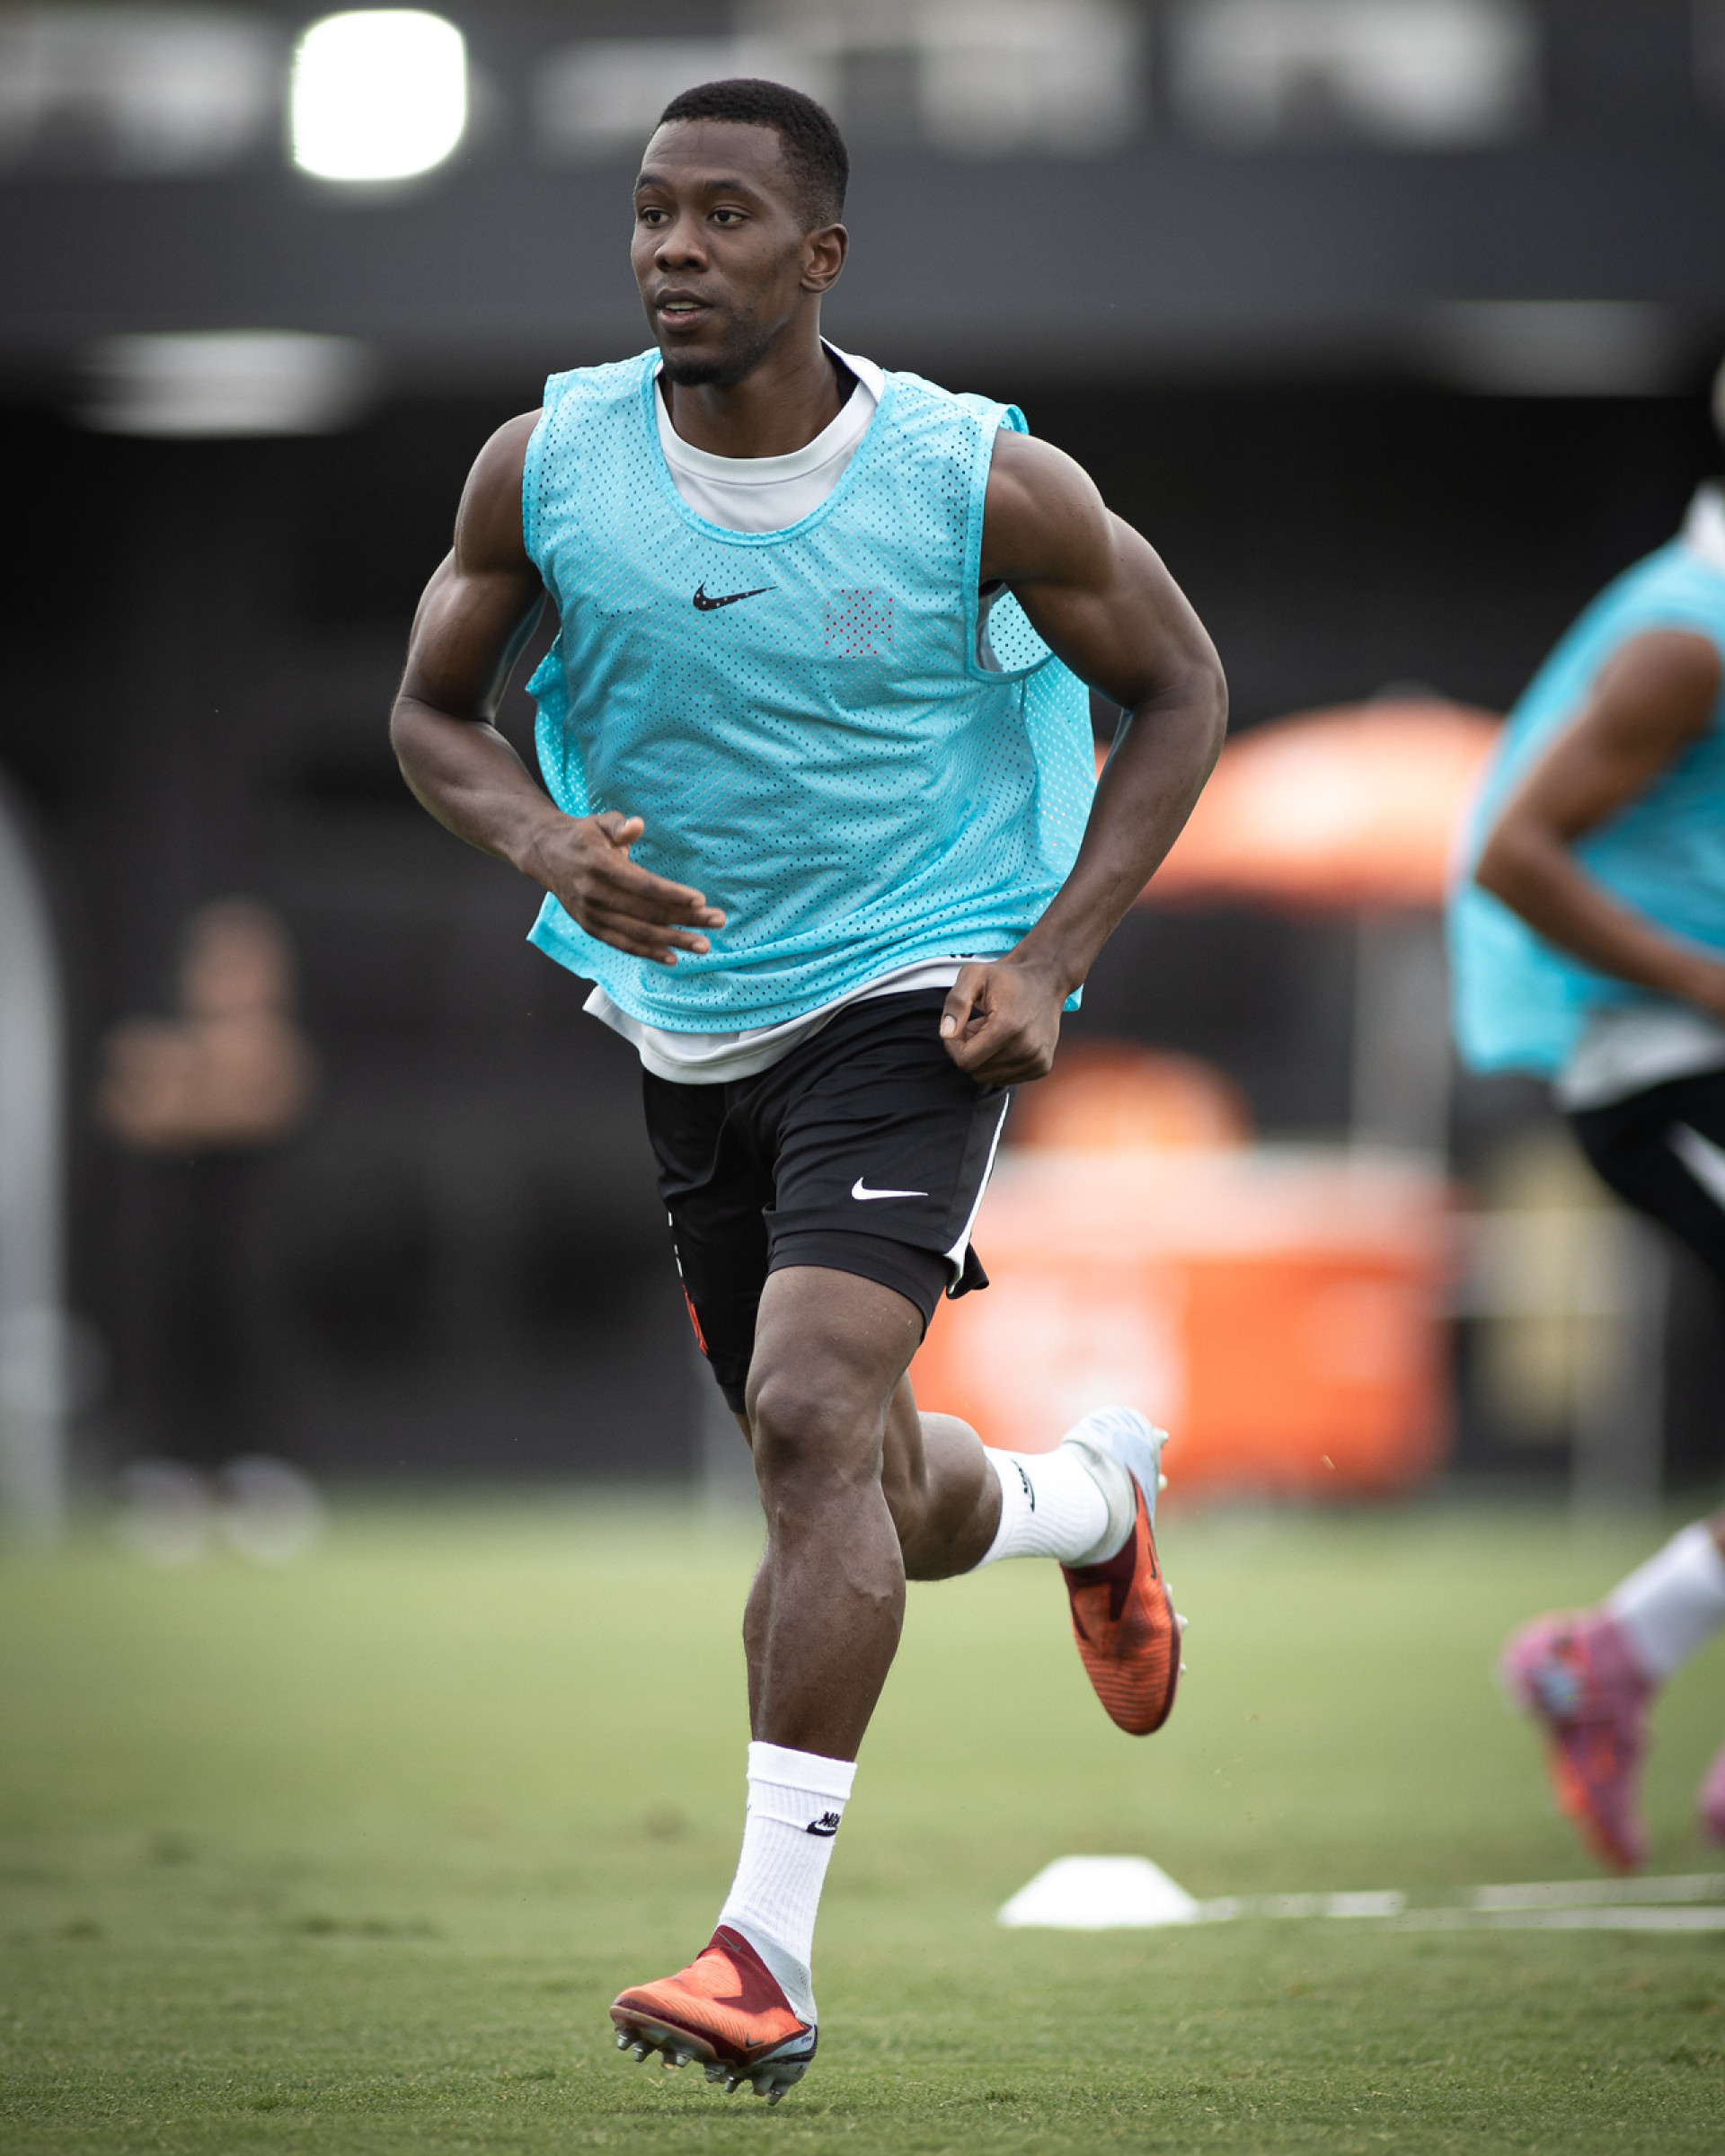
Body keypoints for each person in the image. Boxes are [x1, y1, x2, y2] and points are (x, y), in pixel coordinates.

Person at [390, 78, 1225, 2097]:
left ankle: (761, 1950)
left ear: (820, 255)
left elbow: (1183, 689)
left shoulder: (977, 481)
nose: (676, 250)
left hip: (916, 992)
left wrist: (1048, 961)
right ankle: (1087, 1501)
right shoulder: (547, 466)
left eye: (725, 219)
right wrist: (542, 844)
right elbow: (431, 716)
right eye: (653, 216)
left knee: (804, 1415)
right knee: (867, 1485)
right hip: (689, 1022)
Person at [1450, 361, 1725, 1874]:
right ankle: (1612, 1655)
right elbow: (1517, 853)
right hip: (1671, 1069)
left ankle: (1611, 1658)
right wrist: (1709, 979)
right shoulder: (1688, 635)